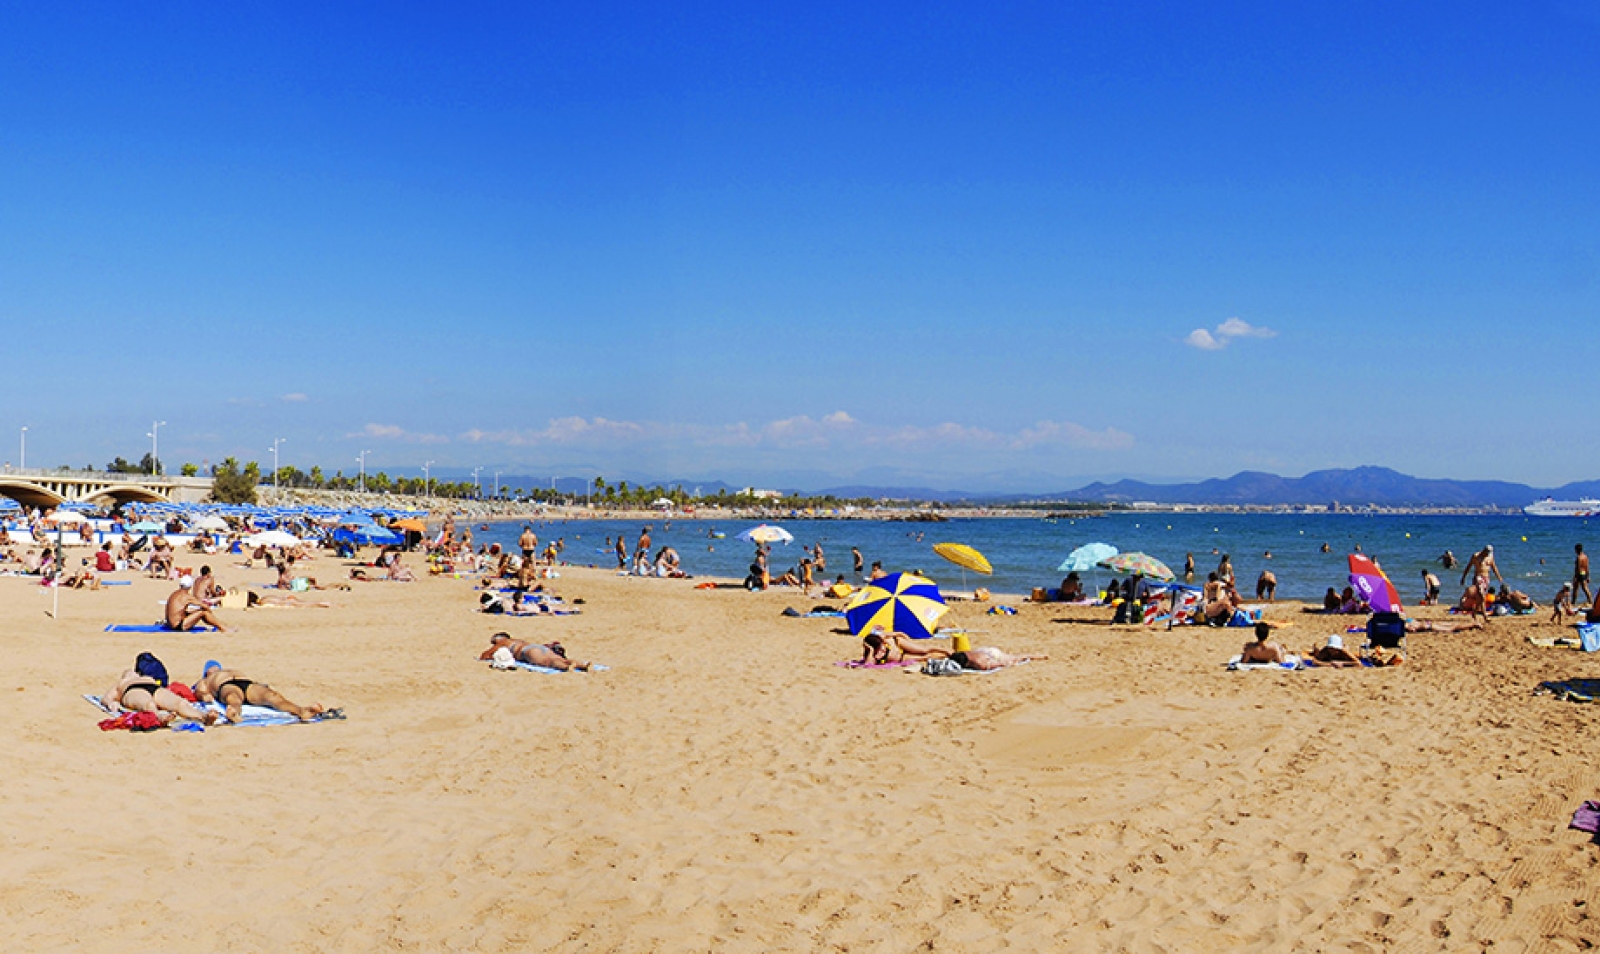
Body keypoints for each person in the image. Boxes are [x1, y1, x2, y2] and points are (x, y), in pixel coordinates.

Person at [193, 660, 327, 723]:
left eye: (216, 666)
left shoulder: (228, 670)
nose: (214, 668)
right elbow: (201, 693)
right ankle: (234, 714)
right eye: (211, 668)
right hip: (225, 685)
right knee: (233, 697)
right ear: (206, 672)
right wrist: (205, 697)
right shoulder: (205, 680)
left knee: (272, 696)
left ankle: (301, 711)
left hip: (248, 685)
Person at [102, 664, 217, 726]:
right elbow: (106, 698)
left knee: (179, 702)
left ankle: (203, 717)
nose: (132, 673)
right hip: (132, 690)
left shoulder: (147, 678)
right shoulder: (121, 683)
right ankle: (159, 717)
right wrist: (111, 703)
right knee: (149, 704)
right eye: (129, 673)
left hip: (155, 688)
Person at [480, 632, 596, 672]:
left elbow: (484, 655)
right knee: (561, 659)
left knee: (549, 662)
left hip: (527, 652)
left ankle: (566, 667)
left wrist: (491, 653)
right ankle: (584, 664)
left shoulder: (503, 642)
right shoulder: (518, 640)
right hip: (537, 647)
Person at [861, 628, 950, 665]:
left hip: (899, 643)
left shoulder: (882, 637)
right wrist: (871, 650)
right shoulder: (871, 655)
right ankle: (946, 656)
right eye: (879, 647)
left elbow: (899, 633)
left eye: (881, 645)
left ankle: (945, 650)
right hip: (901, 657)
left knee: (924, 650)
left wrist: (908, 641)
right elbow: (868, 665)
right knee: (924, 657)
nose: (882, 647)